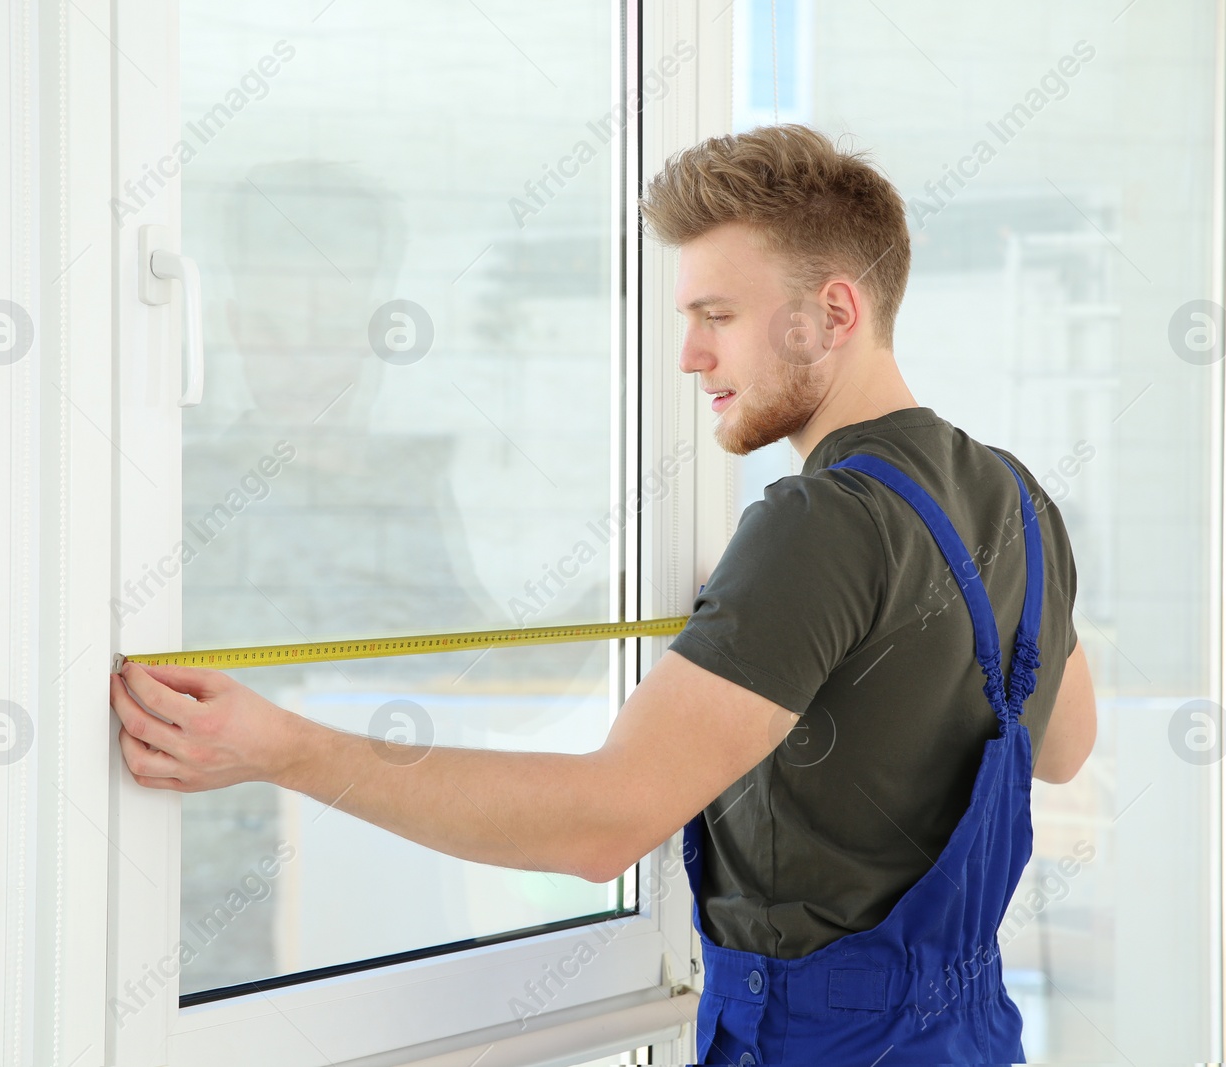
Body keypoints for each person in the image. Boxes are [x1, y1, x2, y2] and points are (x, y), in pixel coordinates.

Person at [109, 123, 1097, 1064]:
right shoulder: (1014, 495)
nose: (689, 355)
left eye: (718, 315)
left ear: (834, 312)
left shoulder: (819, 522)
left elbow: (601, 826)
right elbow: (1059, 745)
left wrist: (285, 748)